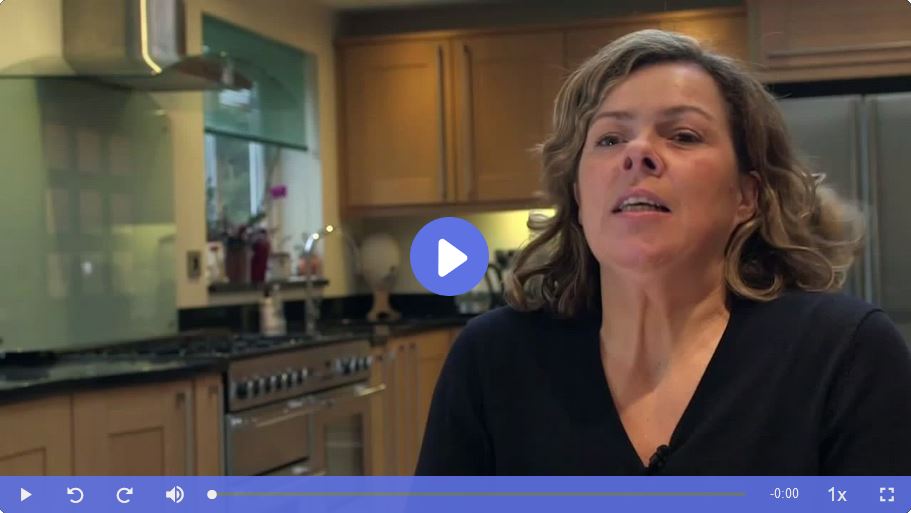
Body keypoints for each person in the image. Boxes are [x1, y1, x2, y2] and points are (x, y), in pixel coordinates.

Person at [415, 29, 911, 475]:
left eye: (683, 136)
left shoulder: (844, 355)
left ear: (747, 196)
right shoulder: (492, 362)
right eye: (610, 139)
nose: (638, 153)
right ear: (579, 197)